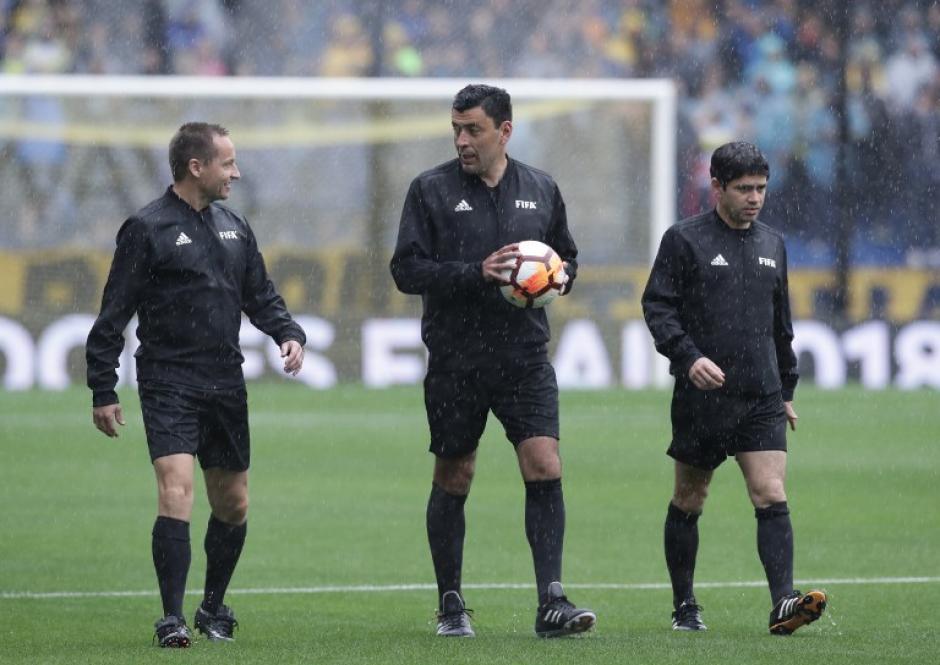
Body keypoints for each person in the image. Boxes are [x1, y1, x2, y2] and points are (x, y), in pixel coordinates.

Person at [85, 122, 306, 648]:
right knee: (176, 490)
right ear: (196, 167)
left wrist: (288, 332)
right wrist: (103, 388)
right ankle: (171, 618)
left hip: (226, 382)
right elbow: (113, 314)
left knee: (232, 503)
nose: (237, 172)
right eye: (228, 163)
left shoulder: (234, 224)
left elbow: (260, 294)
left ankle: (211, 607)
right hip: (168, 381)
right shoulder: (146, 227)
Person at [390, 84, 596, 639]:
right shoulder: (430, 191)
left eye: (473, 129)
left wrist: (558, 276)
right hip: (456, 360)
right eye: (456, 129)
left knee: (545, 464)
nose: (462, 139)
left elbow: (567, 257)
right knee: (455, 473)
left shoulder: (541, 188)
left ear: (505, 131)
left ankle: (552, 600)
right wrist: (474, 272)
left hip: (524, 358)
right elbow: (406, 270)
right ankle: (451, 603)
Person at [641, 141, 827, 635]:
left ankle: (784, 602)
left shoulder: (773, 244)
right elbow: (657, 308)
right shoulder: (684, 241)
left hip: (761, 395)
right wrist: (689, 357)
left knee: (770, 491)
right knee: (690, 497)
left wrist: (786, 388)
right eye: (744, 188)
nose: (754, 198)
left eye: (761, 188)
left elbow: (780, 325)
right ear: (717, 186)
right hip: (703, 397)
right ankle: (684, 606)